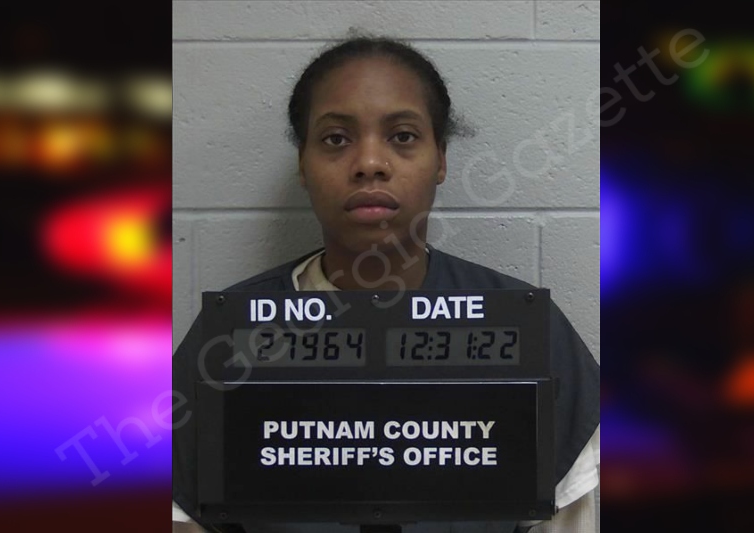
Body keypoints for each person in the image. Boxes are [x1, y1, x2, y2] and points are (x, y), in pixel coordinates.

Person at [173, 35, 600, 533]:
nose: (370, 163)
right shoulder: (229, 336)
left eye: (402, 136)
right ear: (303, 165)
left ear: (441, 160)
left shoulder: (531, 330)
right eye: (336, 139)